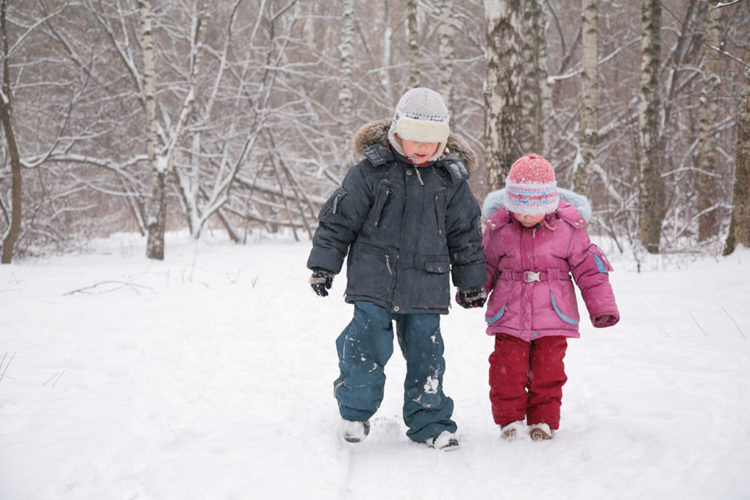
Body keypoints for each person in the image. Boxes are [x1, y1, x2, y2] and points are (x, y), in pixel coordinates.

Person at [307, 87, 486, 451]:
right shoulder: (370, 173)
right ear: (396, 133)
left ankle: (430, 422)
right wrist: (324, 265)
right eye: (413, 139)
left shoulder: (450, 181)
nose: (422, 148)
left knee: (427, 354)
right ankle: (355, 411)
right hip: (374, 279)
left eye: (431, 141)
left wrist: (470, 282)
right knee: (366, 343)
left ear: (444, 141)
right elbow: (337, 221)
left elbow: (465, 235)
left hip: (427, 283)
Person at [481, 153, 619, 441]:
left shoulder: (568, 229)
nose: (526, 215)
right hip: (509, 315)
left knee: (548, 371)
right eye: (519, 208)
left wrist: (602, 307)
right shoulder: (499, 228)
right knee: (506, 370)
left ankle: (543, 421)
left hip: (554, 315)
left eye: (534, 208)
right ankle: (509, 421)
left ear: (549, 203)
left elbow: (590, 271)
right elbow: (487, 265)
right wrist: (475, 290)